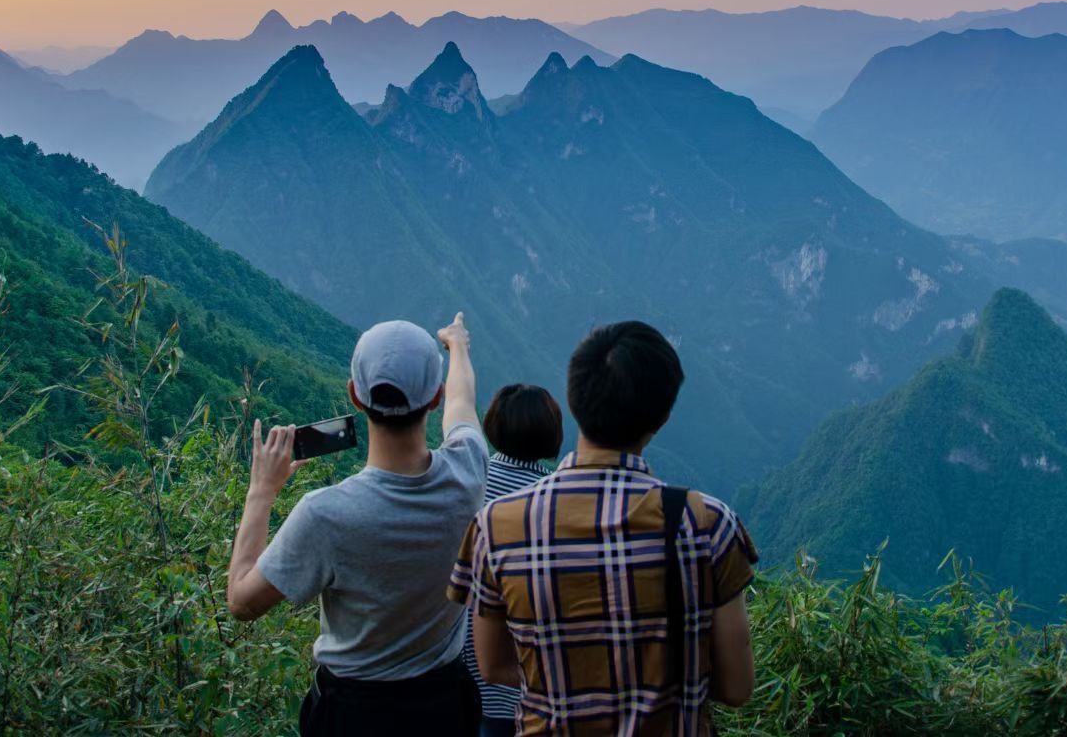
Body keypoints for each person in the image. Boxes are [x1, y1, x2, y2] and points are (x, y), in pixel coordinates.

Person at [449, 321, 757, 736]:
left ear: (574, 402)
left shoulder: (497, 526)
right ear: (662, 416)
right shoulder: (708, 526)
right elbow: (736, 687)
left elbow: (492, 665)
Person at [227, 313, 487, 736]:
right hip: (444, 709)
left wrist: (261, 491)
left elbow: (242, 602)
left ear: (355, 395)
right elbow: (464, 404)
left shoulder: (326, 514)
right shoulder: (469, 474)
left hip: (354, 716)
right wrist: (458, 345)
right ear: (434, 397)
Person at [463, 384, 566, 737]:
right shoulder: (559, 502)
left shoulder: (467, 482)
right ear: (552, 434)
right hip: (523, 684)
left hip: (455, 671)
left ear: (493, 425)